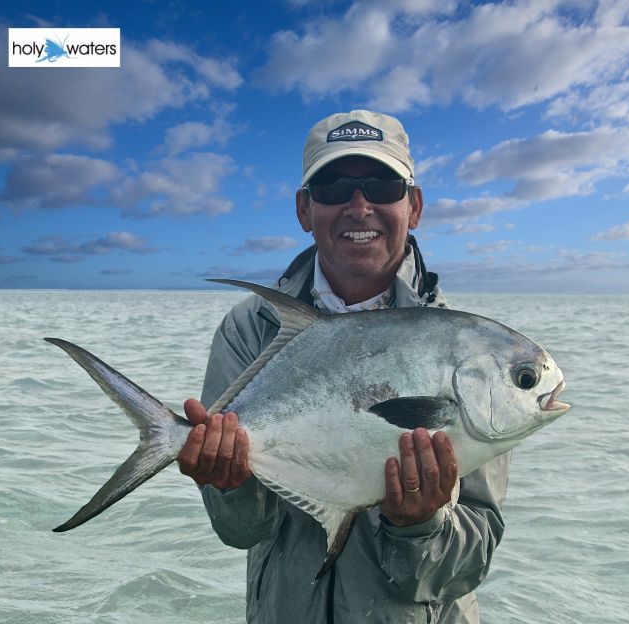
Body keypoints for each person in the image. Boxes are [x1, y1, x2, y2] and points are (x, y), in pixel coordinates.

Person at [177, 110, 510, 623]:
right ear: (304, 209)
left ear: (414, 206)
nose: (360, 206)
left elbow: (468, 565)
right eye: (333, 187)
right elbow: (240, 533)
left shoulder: (467, 349)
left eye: (382, 184)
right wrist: (232, 482)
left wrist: (418, 527)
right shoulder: (252, 330)